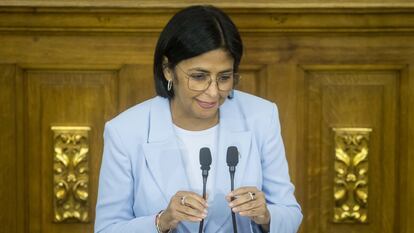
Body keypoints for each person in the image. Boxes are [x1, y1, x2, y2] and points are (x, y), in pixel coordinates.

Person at [94, 5, 302, 233]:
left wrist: (266, 215)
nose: (213, 92)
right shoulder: (124, 131)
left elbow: (290, 213)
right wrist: (161, 222)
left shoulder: (262, 116)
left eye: (224, 77)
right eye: (199, 76)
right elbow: (107, 228)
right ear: (168, 70)